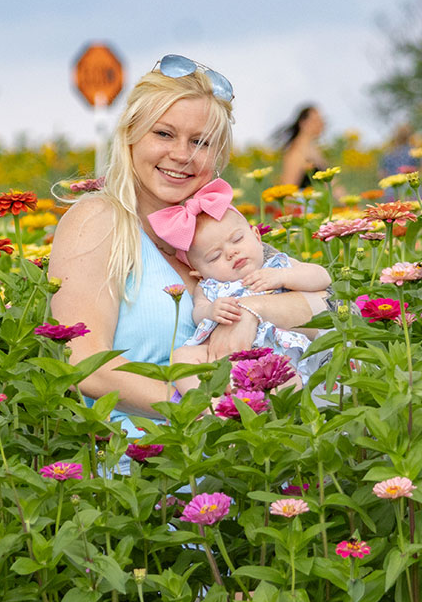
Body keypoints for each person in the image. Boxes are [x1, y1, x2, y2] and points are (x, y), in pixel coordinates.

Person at [48, 56, 317, 428]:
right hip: (153, 463)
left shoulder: (219, 227)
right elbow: (86, 364)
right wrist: (211, 411)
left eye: (200, 142)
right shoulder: (99, 220)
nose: (181, 154)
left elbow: (324, 307)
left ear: (219, 155)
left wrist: (254, 311)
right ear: (130, 133)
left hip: (253, 455)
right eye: (163, 134)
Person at [164, 201, 331, 380]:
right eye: (215, 256)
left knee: (283, 375)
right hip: (229, 352)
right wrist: (211, 311)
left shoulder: (276, 264)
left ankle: (257, 402)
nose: (231, 252)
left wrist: (283, 276)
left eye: (237, 239)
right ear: (199, 273)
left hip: (280, 351)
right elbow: (198, 312)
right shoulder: (208, 287)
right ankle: (212, 405)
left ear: (257, 237)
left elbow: (322, 277)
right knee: (182, 357)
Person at [276, 105, 328, 190]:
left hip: (317, 201)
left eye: (321, 120)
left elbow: (330, 183)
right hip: (302, 202)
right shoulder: (296, 152)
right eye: (316, 121)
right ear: (303, 123)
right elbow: (288, 188)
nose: (320, 124)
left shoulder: (314, 149)